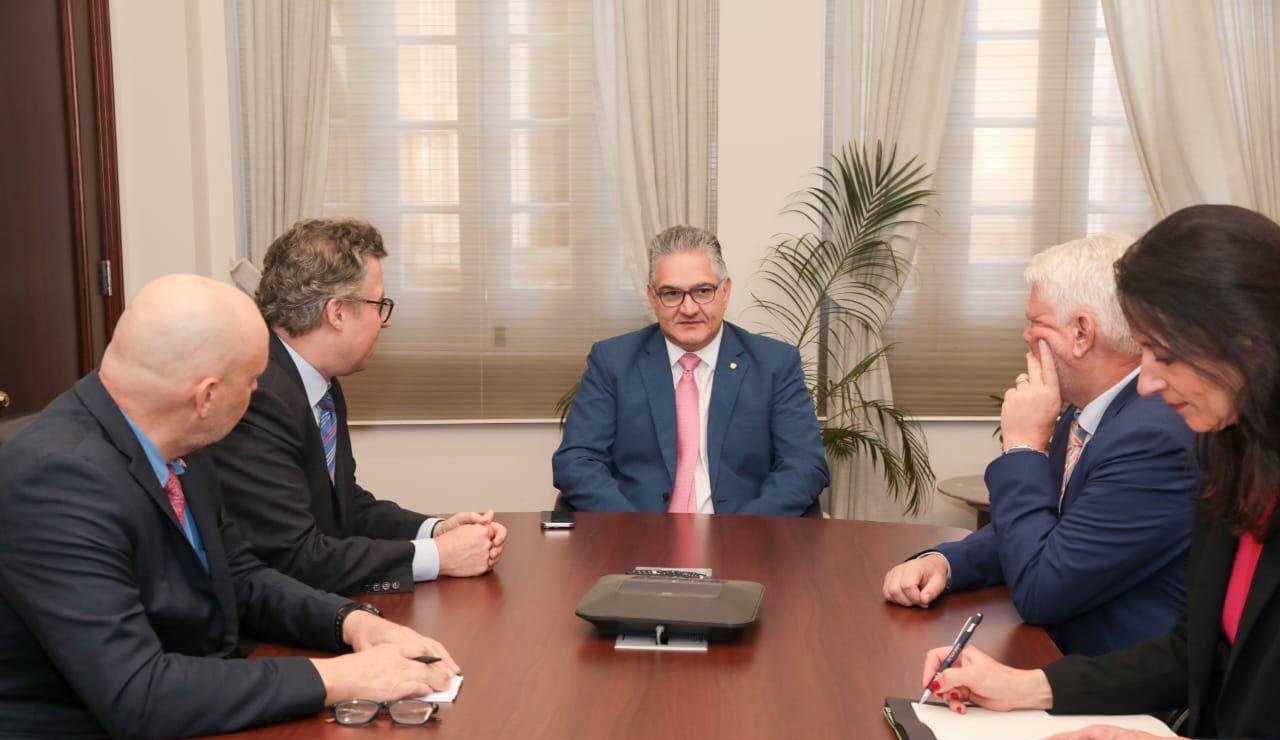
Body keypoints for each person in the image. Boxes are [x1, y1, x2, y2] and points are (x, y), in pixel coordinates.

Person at [0, 276, 460, 740]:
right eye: (252, 381)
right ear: (207, 396)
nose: (258, 394)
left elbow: (239, 577)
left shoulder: (172, 440)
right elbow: (137, 694)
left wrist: (352, 623)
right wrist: (338, 678)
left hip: (187, 725)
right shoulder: (56, 479)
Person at [921, 205, 1280, 740]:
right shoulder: (1232, 454)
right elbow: (1190, 653)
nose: (1148, 383)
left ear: (1245, 341)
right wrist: (1027, 686)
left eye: (1164, 353)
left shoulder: (1187, 438)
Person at [883, 234, 1197, 655]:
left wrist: (1022, 448)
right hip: (1056, 652)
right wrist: (945, 562)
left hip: (1112, 674)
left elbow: (1041, 589)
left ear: (1082, 332)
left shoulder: (1152, 438)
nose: (1026, 335)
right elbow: (1042, 531)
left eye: (1036, 322)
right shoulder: (1088, 409)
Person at [211, 219, 506, 596]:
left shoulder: (318, 383)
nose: (383, 322)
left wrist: (435, 531)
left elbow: (346, 507)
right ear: (337, 313)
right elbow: (295, 558)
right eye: (379, 304)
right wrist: (438, 556)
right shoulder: (258, 395)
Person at [552, 225, 829, 515]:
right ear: (652, 297)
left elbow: (804, 465)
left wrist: (745, 532)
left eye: (702, 291)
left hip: (742, 532)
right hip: (639, 531)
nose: (688, 308)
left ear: (725, 291)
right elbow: (576, 461)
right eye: (672, 293)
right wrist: (633, 529)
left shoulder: (774, 364)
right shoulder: (613, 362)